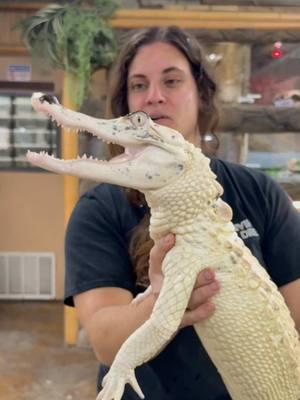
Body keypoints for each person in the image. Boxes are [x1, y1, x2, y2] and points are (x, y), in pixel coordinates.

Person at [64, 26, 300, 399]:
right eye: (139, 85)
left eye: (171, 81)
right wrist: (165, 300)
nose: (155, 97)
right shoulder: (96, 211)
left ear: (201, 95)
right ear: (127, 103)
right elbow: (105, 342)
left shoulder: (259, 191)